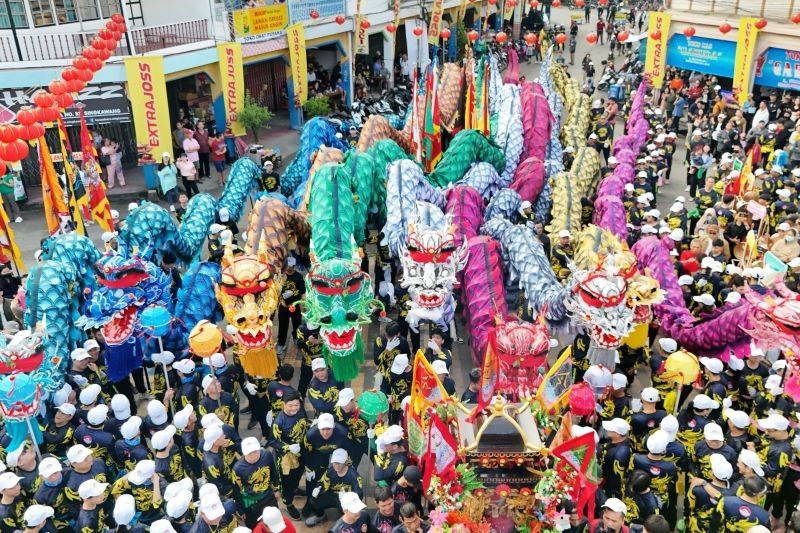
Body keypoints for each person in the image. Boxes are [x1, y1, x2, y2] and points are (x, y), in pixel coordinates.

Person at [232, 437, 280, 528]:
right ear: (244, 453)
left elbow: (273, 472)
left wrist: (276, 489)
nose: (253, 455)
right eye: (250, 453)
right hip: (251, 502)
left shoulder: (267, 455)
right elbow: (236, 492)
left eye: (255, 451)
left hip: (268, 495)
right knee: (254, 526)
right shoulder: (237, 469)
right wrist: (241, 511)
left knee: (273, 521)